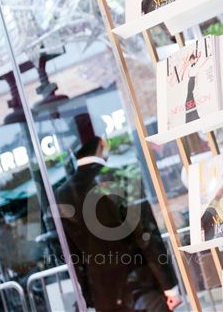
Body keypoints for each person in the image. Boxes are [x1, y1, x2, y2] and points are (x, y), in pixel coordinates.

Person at [55, 114, 182, 312]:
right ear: (102, 143)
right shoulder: (120, 175)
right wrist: (169, 286)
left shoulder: (62, 194)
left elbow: (73, 255)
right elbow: (146, 235)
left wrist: (89, 297)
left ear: (73, 151)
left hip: (105, 296)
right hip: (142, 289)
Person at [184, 53, 200, 123]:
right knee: (190, 99)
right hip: (190, 82)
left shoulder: (196, 66)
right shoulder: (190, 67)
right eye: (190, 60)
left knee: (189, 100)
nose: (190, 61)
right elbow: (188, 75)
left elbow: (197, 76)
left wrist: (196, 86)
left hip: (193, 81)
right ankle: (193, 117)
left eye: (191, 60)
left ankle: (192, 117)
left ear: (194, 59)